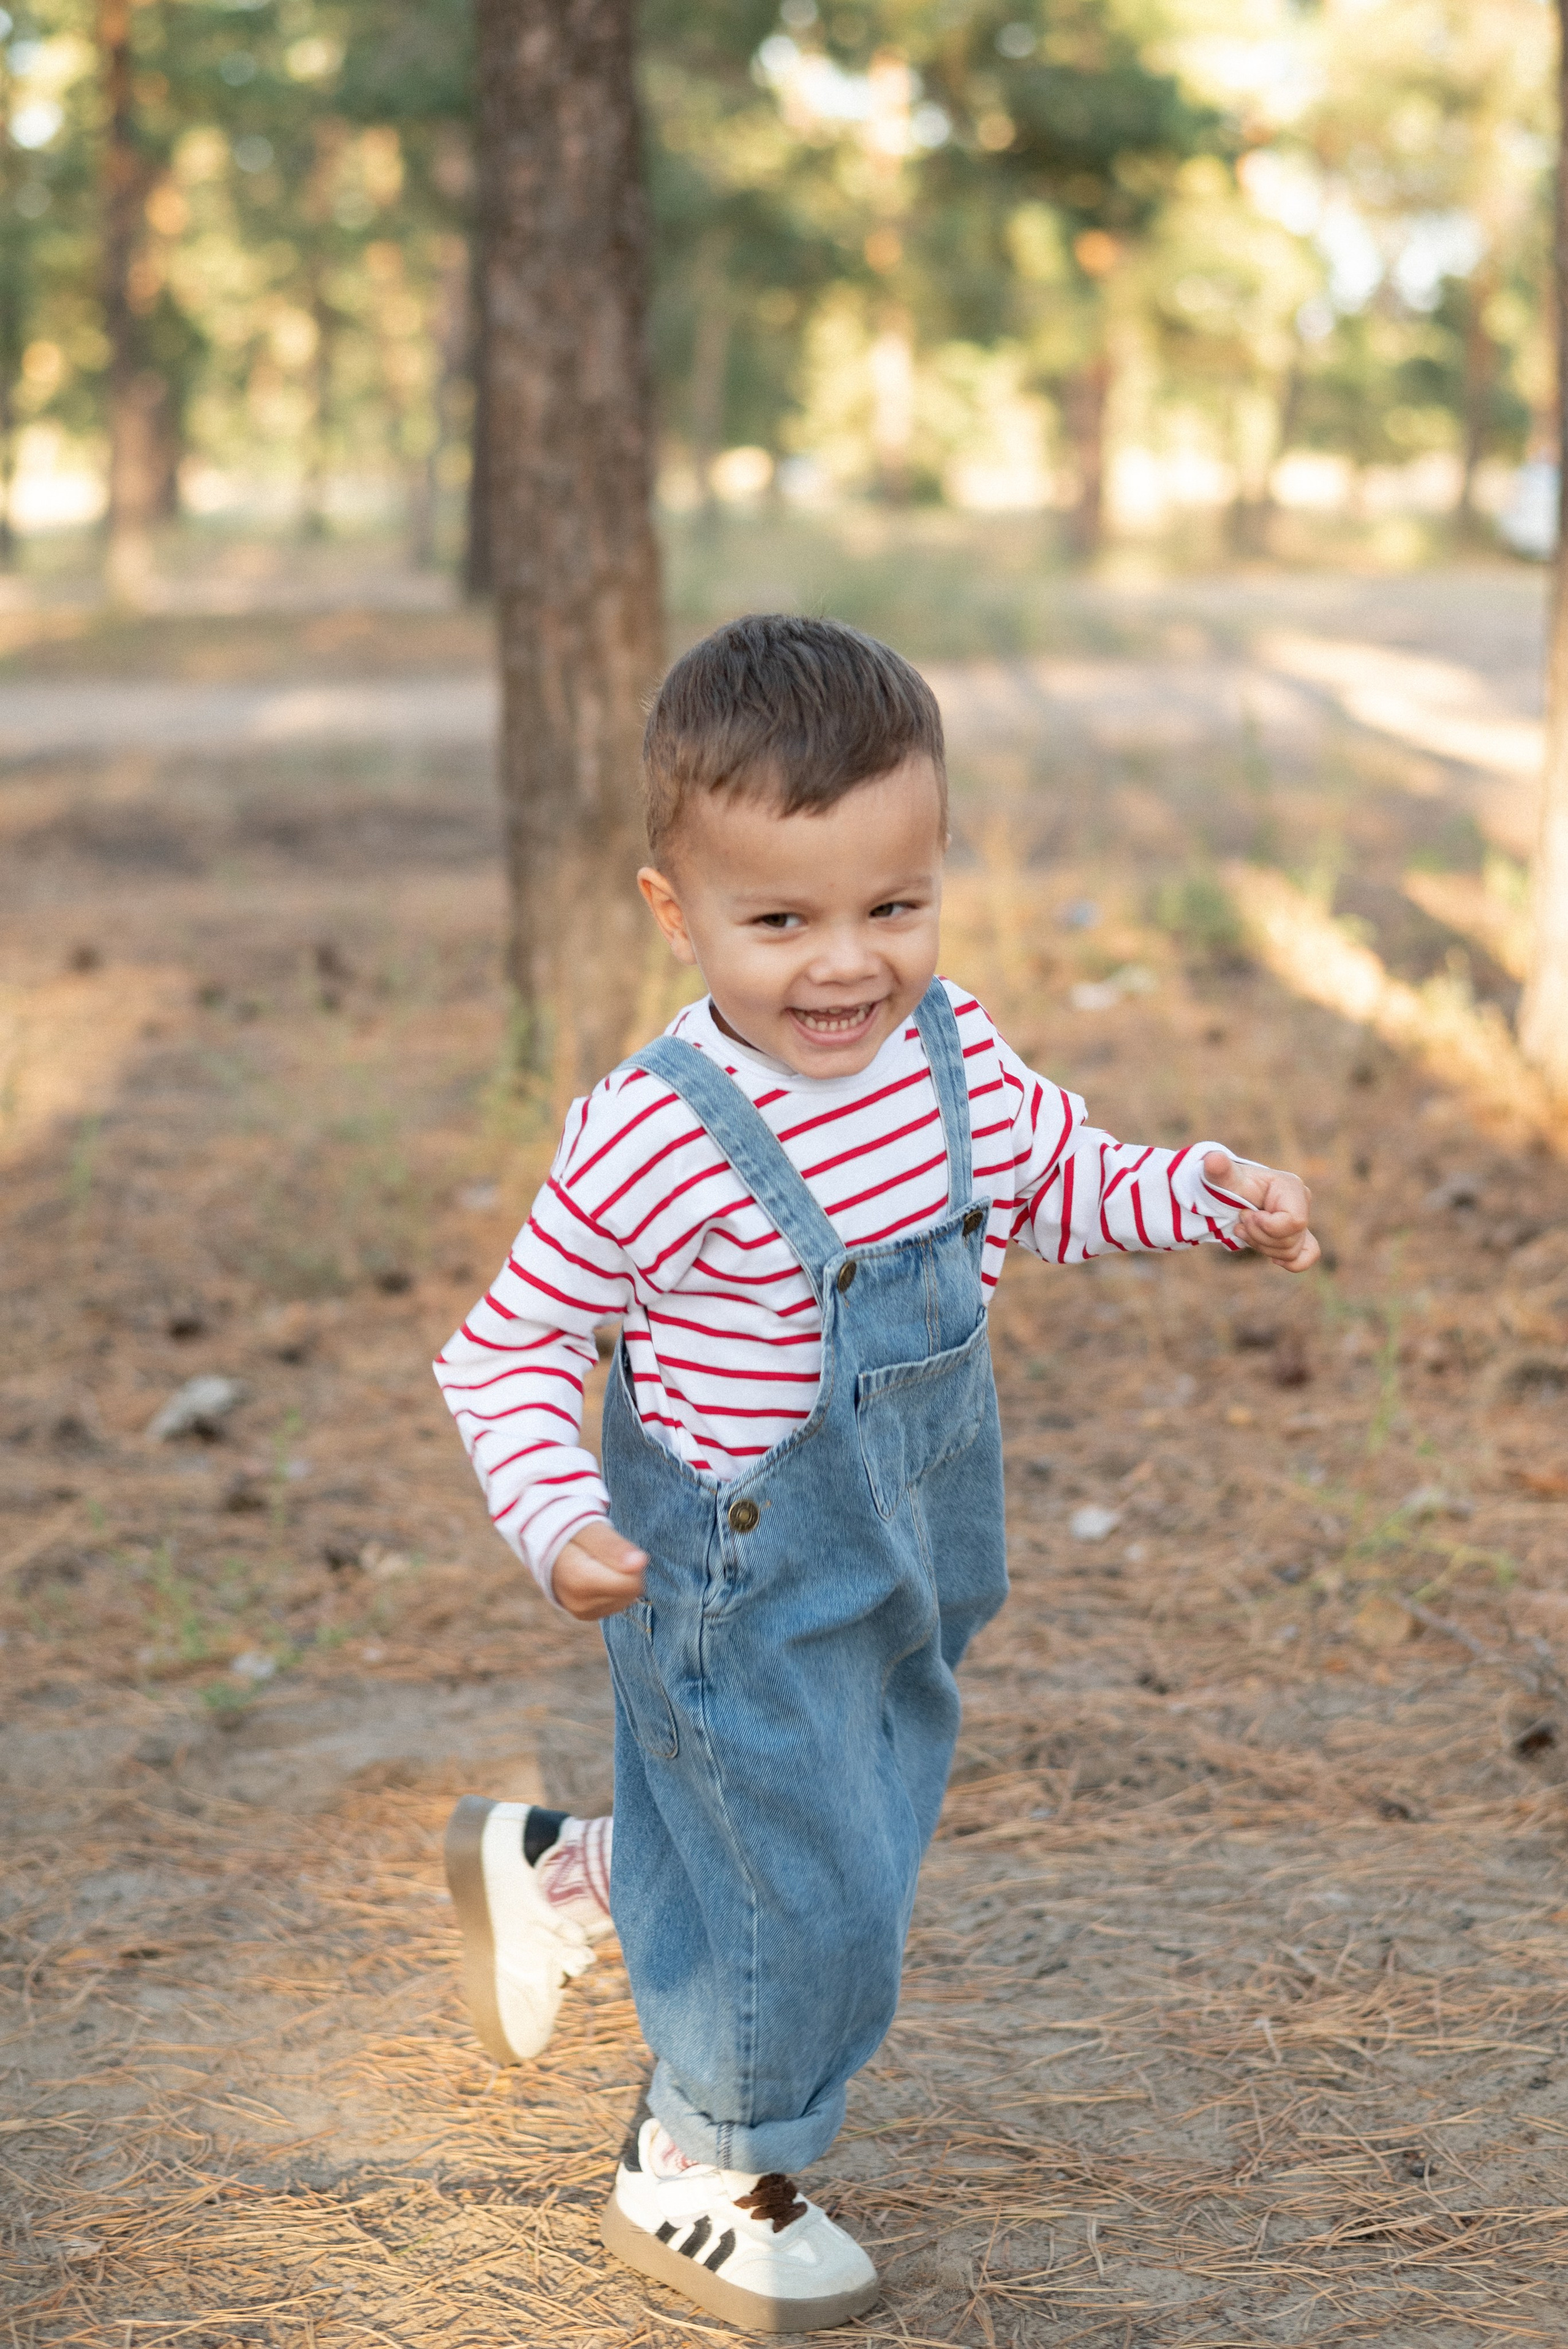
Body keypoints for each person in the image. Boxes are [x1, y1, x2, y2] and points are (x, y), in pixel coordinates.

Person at [434, 615, 1317, 2334]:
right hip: (729, 1566)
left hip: (911, 1533)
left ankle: (569, 1873)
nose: (847, 963)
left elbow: (1063, 1180)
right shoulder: (652, 1130)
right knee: (815, 1874)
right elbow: (511, 1345)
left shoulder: (951, 1051)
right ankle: (699, 2158)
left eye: (893, 907)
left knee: (846, 1804)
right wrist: (558, 1513)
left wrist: (1204, 1192)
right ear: (674, 909)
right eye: (782, 920)